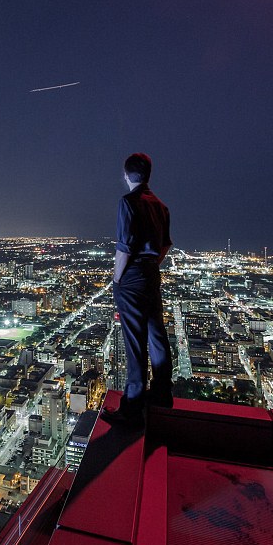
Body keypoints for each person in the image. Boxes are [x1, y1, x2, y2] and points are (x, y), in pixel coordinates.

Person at [102, 153, 173, 428]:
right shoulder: (161, 206)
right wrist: (152, 263)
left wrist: (117, 279)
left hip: (131, 276)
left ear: (126, 175)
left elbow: (125, 246)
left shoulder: (128, 202)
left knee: (135, 341)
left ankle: (132, 406)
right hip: (151, 273)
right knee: (156, 334)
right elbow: (165, 244)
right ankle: (162, 393)